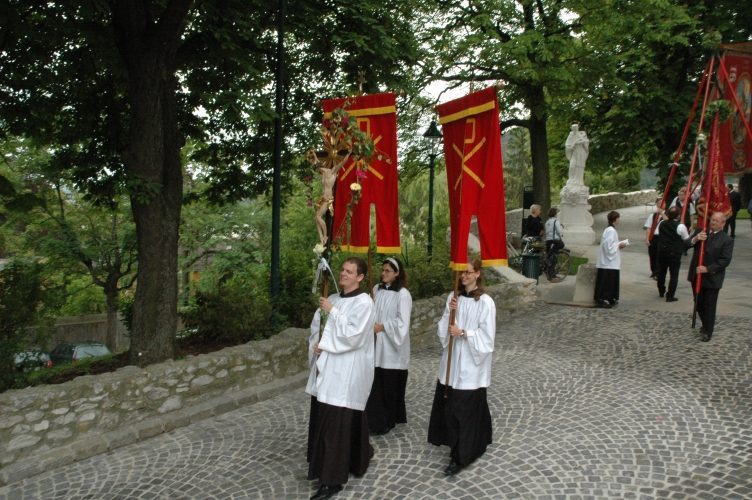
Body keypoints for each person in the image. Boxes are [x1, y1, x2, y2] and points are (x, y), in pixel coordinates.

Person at [306, 257, 375, 500]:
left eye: (349, 271)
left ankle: (331, 481)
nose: (343, 274)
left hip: (348, 373)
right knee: (330, 423)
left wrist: (332, 312)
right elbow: (318, 329)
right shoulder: (332, 299)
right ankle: (353, 457)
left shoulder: (364, 303)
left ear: (360, 277)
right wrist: (316, 344)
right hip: (329, 371)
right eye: (342, 270)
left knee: (337, 426)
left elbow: (354, 335)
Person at [427, 258, 495, 477]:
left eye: (467, 272)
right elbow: (443, 328)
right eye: (460, 273)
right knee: (452, 407)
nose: (463, 276)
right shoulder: (453, 297)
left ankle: (461, 455)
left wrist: (465, 333)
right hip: (452, 361)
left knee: (464, 409)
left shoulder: (485, 302)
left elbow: (487, 338)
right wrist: (450, 313)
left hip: (470, 365)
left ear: (477, 274)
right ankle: (460, 441)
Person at [365, 257, 412, 436]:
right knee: (377, 382)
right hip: (376, 344)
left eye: (388, 271)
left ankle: (389, 419)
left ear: (397, 273)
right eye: (383, 270)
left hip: (392, 348)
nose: (384, 273)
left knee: (390, 384)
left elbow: (403, 323)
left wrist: (383, 326)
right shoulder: (376, 290)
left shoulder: (403, 294)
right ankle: (376, 418)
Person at [687, 212, 734, 342]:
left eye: (716, 221)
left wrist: (707, 269)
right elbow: (685, 245)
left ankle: (708, 331)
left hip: (712, 278)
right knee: (698, 303)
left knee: (709, 305)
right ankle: (704, 323)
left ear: (723, 223)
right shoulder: (701, 232)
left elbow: (725, 260)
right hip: (696, 275)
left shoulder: (727, 240)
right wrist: (695, 239)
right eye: (712, 220)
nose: (712, 222)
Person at [656, 206, 690, 302]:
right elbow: (687, 240)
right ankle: (670, 295)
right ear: (678, 216)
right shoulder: (680, 226)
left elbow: (660, 234)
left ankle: (661, 290)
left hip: (662, 251)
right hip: (674, 253)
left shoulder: (662, 223)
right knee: (674, 275)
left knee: (661, 272)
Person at [594, 211, 628, 308]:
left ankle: (610, 297)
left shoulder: (610, 230)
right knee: (607, 280)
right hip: (608, 262)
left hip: (610, 262)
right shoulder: (611, 231)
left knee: (610, 280)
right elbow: (608, 247)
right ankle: (602, 299)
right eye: (618, 218)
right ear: (615, 219)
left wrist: (618, 244)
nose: (619, 220)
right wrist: (619, 245)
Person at [643, 198, 664, 279]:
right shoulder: (652, 215)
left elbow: (668, 220)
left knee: (659, 255)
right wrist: (647, 239)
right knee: (652, 254)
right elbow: (648, 228)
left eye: (662, 203)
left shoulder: (667, 214)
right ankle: (653, 271)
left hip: (662, 237)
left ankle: (658, 272)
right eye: (659, 203)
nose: (661, 204)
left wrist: (662, 213)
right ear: (656, 204)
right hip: (653, 237)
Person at [564, 123, 589, 189]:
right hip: (574, 152)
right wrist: (574, 144)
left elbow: (586, 142)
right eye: (573, 128)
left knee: (580, 166)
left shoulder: (582, 134)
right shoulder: (571, 135)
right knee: (572, 165)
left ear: (578, 128)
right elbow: (567, 145)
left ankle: (579, 181)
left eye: (576, 128)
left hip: (581, 152)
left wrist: (583, 142)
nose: (575, 129)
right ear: (571, 129)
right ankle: (572, 180)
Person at [543, 207, 564, 278]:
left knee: (549, 255)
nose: (557, 214)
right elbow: (559, 231)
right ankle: (552, 273)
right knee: (561, 246)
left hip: (548, 241)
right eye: (557, 213)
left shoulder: (547, 222)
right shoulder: (556, 221)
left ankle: (547, 269)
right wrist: (561, 234)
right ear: (555, 214)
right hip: (555, 240)